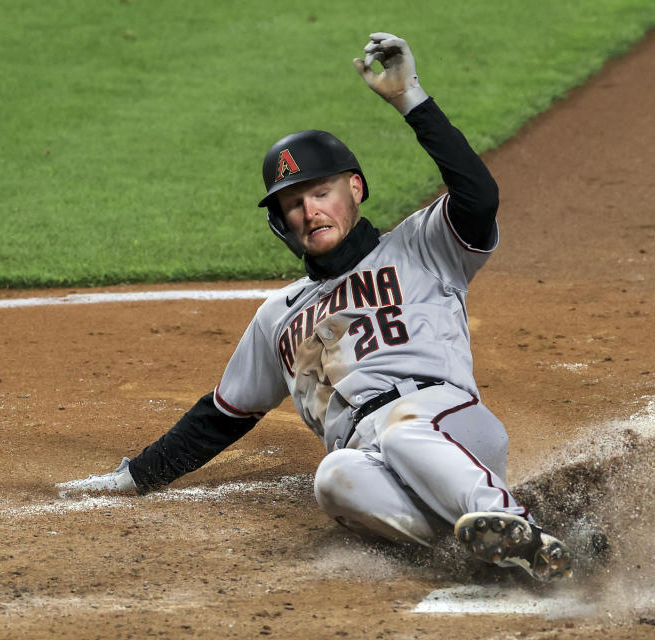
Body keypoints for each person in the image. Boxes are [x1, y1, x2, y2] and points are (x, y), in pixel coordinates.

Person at [59, 32, 571, 583]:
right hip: (374, 458)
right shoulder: (278, 316)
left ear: (355, 188)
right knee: (333, 478)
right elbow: (222, 415)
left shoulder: (423, 245)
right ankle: (487, 550)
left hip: (445, 423)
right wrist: (137, 476)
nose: (310, 211)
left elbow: (479, 196)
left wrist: (411, 100)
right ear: (282, 223)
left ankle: (515, 524)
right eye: (293, 204)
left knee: (399, 429)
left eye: (320, 192)